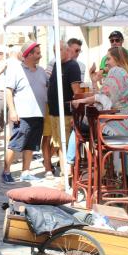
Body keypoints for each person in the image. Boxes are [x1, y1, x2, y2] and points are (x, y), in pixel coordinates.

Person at [2, 41, 48, 183]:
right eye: (38, 53)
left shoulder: (41, 71)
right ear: (28, 54)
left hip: (38, 113)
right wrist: (12, 111)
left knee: (31, 144)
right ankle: (6, 171)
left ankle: (25, 172)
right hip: (22, 114)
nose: (40, 55)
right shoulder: (16, 69)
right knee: (15, 144)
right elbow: (8, 91)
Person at [48, 40, 81, 180]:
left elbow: (76, 92)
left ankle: (68, 176)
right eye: (55, 51)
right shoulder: (56, 64)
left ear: (67, 51)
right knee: (60, 144)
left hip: (66, 113)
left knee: (66, 145)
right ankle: (64, 173)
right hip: (55, 112)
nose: (57, 53)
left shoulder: (73, 66)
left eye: (59, 50)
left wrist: (75, 114)